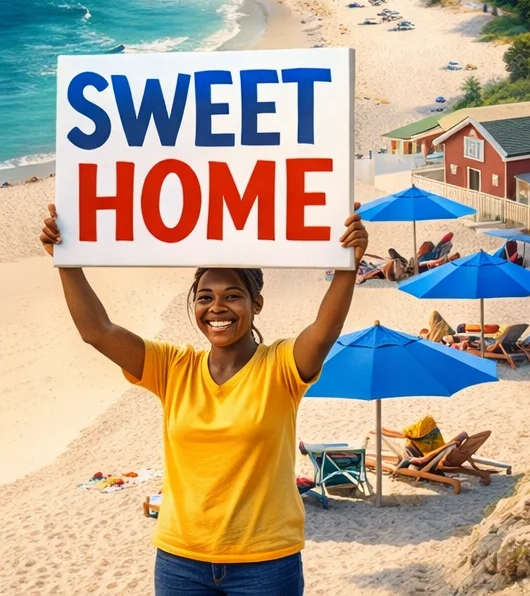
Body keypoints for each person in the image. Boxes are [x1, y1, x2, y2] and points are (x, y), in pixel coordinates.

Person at [43, 202, 368, 596]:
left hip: (265, 563)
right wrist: (66, 260)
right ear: (194, 304)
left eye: (232, 296)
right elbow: (98, 330)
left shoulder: (282, 365)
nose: (217, 308)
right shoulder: (171, 367)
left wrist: (348, 266)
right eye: (204, 297)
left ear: (256, 304)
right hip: (181, 561)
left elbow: (324, 328)